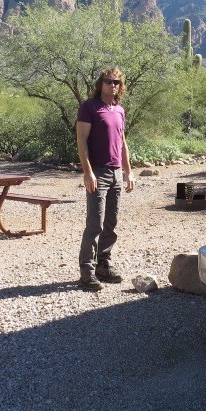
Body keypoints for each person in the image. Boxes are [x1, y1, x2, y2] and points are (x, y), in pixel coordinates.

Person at [75, 66, 135, 291]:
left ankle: (103, 265)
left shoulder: (119, 110)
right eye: (109, 81)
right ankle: (87, 272)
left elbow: (122, 143)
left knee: (111, 222)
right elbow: (81, 140)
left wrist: (129, 171)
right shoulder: (89, 107)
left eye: (117, 82)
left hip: (116, 172)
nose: (113, 85)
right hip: (98, 172)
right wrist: (88, 172)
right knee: (95, 224)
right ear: (101, 83)